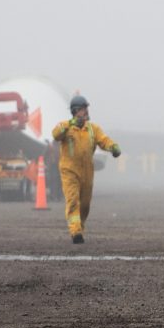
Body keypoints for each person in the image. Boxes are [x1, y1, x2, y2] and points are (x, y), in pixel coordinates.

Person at [52, 95, 121, 244]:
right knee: (73, 201)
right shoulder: (66, 126)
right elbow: (55, 134)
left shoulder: (93, 129)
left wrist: (113, 147)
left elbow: (104, 140)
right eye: (84, 109)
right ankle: (75, 232)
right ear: (76, 111)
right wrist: (71, 123)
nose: (87, 111)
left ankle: (79, 227)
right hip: (69, 170)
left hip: (87, 171)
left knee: (85, 204)